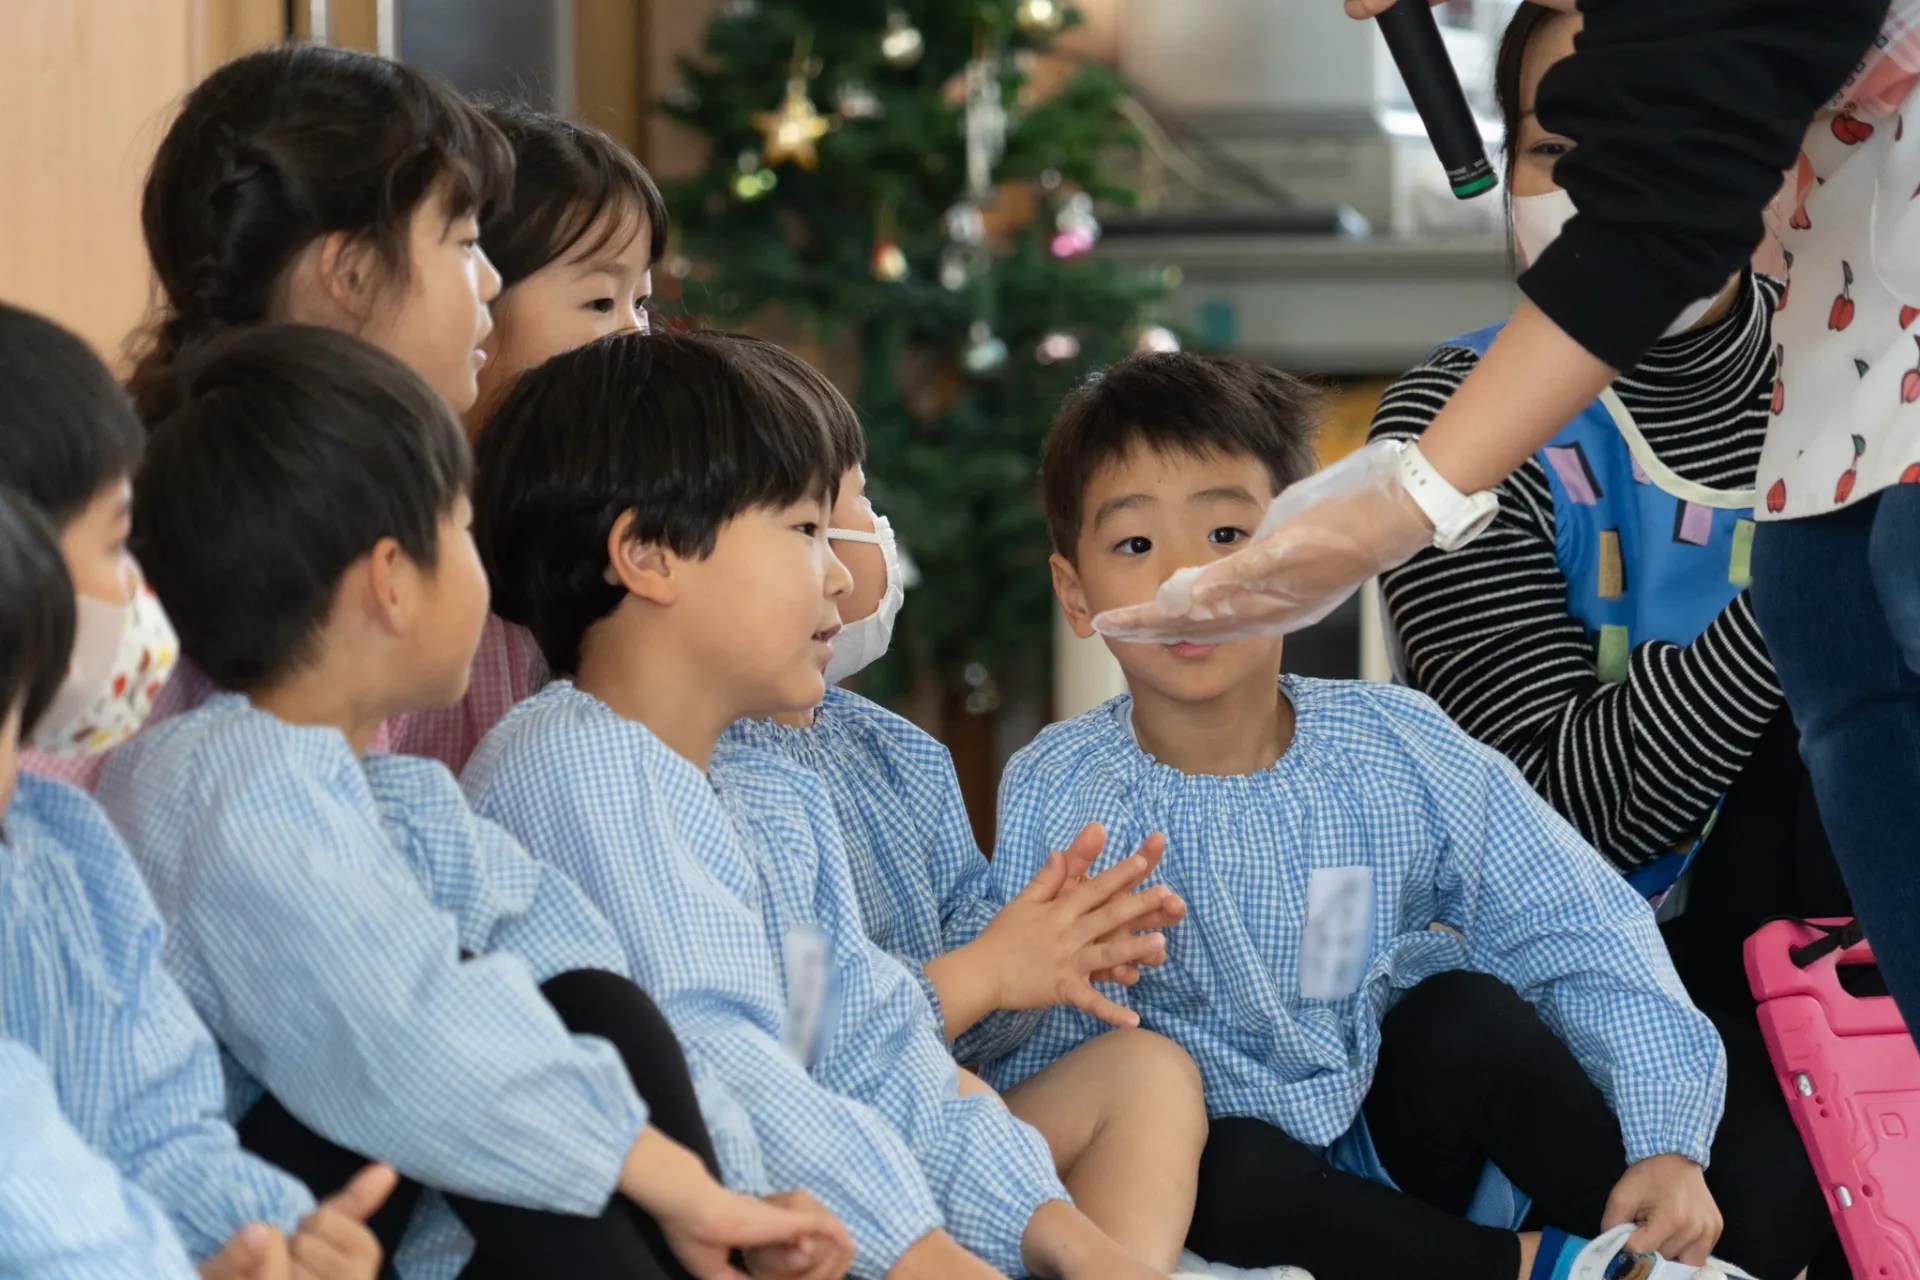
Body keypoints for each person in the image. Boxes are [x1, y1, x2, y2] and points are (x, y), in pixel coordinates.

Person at [1111, 0, 1920, 1041]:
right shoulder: (1480, 406)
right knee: (1831, 602)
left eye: (1612, 138)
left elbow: (1653, 211)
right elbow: (1561, 812)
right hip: (1648, 996)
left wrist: (1395, 507)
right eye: (1552, 143)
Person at [984, 349, 1796, 1280]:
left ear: (1307, 552)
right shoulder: (1062, 787)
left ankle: (1679, 1255)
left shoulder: (1395, 742)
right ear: (1076, 594)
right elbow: (1040, 1048)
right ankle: (1540, 1266)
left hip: (1405, 1139)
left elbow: (1573, 922)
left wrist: (1667, 1135)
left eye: (1226, 536)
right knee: (1233, 1165)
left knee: (1465, 1018)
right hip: (1228, 1182)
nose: (1186, 582)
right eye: (1135, 547)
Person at [94, 325, 850, 1280]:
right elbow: (404, 1044)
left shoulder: (400, 799)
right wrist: (684, 1189)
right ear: (391, 582)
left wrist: (732, 1198)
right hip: (243, 1236)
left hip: (387, 1205)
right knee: (476, 1021)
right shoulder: (216, 786)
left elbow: (583, 979)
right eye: (458, 526)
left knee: (589, 1002)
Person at [462, 329, 1204, 1280]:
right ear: (648, 555)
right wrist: (936, 1261)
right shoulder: (578, 770)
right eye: (807, 531)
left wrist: (1069, 1245)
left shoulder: (774, 790)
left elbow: (872, 1052)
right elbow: (728, 1071)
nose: (845, 575)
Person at [1368, 11, 1845, 1271]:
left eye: (1654, 134)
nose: (1599, 180)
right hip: (1599, 996)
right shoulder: (1447, 426)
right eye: (1554, 143)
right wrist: (1815, 571)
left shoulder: (1866, 381)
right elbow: (1565, 812)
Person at [719, 403, 1204, 1270]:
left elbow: (979, 1032)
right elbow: (802, 1045)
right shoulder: (721, 774)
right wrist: (984, 971)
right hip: (812, 1152)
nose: (862, 546)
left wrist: (1051, 952)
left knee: (1149, 1073)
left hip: (942, 1114)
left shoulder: (899, 754)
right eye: (844, 510)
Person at [0, 306, 394, 1280]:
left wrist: (272, 1237)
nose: (135, 589)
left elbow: (161, 1128)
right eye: (115, 541)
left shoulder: (66, 851)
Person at [29, 42, 512, 792]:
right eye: (465, 243)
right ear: (348, 274)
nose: (490, 282)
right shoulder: (131, 547)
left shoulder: (378, 487)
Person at [395, 99, 666, 773]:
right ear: (476, 296)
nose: (636, 335)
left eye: (644, 303)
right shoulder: (401, 527)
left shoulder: (612, 508)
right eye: (602, 302)